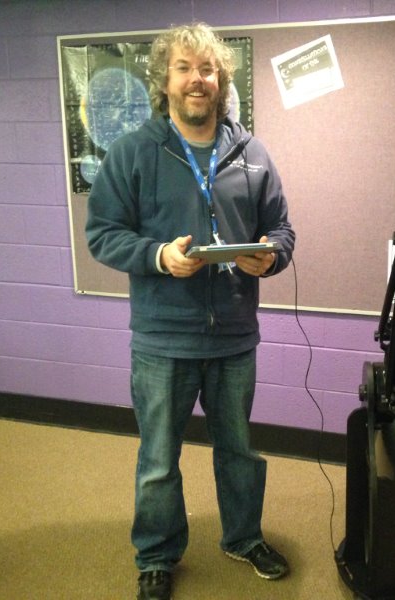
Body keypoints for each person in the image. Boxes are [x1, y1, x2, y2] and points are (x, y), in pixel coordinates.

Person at [85, 22, 296, 600]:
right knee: (158, 459)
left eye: (207, 69)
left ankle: (243, 537)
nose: (197, 80)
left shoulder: (252, 154)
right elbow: (102, 235)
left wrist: (270, 257)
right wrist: (156, 256)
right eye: (184, 68)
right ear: (166, 80)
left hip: (233, 337)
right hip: (162, 340)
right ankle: (156, 556)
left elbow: (281, 228)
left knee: (240, 452)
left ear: (221, 80)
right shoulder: (132, 152)